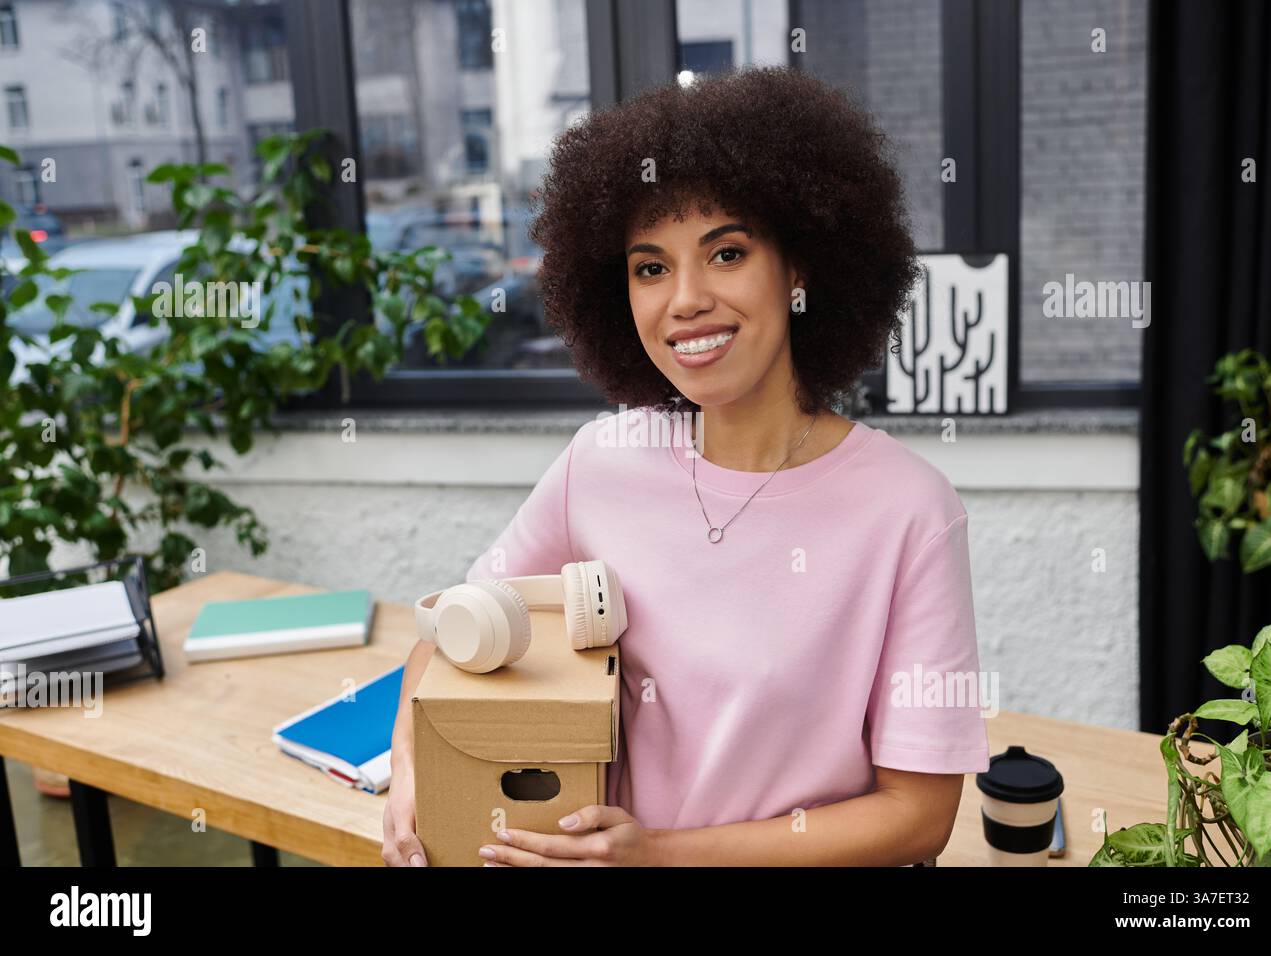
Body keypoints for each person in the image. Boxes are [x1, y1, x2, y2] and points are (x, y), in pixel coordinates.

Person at [382, 65, 990, 867]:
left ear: (800, 268)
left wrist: (663, 854)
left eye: (727, 252)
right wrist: (408, 776)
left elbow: (919, 815)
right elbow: (444, 635)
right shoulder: (600, 462)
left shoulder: (909, 508)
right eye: (651, 267)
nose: (686, 300)